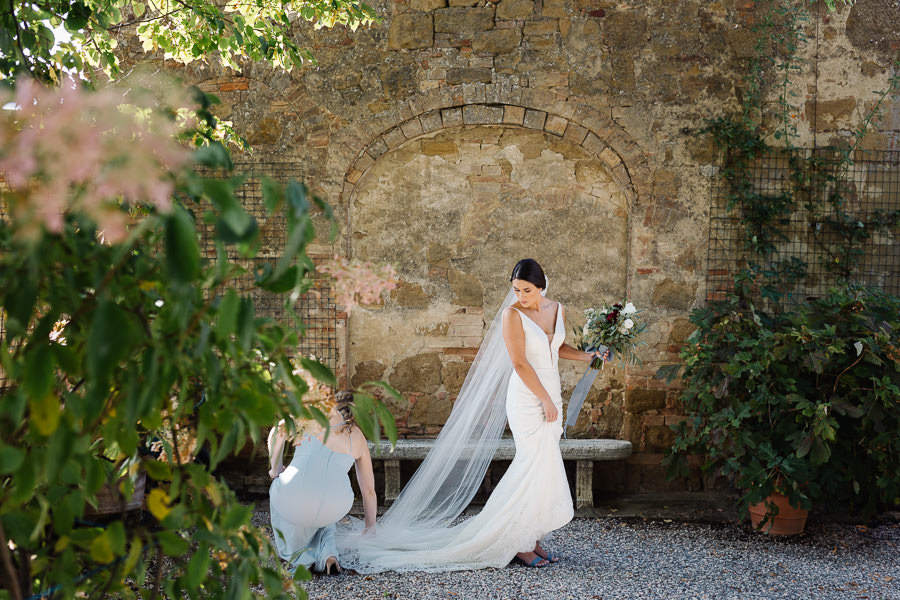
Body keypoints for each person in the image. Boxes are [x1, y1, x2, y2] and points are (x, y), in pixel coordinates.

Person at [338, 258, 608, 572]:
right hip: (527, 397)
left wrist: (588, 355)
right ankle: (516, 544)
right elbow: (520, 363)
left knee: (543, 468)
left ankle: (530, 537)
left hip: (550, 395)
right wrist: (545, 399)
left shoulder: (556, 309)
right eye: (516, 289)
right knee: (529, 464)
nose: (521, 295)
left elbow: (556, 347)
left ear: (542, 286)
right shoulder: (512, 315)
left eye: (527, 290)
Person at [268, 390, 377, 575]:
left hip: (293, 499)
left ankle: (301, 558)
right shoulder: (359, 439)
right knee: (325, 518)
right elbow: (369, 491)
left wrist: (275, 469)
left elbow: (277, 431)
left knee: (278, 485)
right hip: (335, 507)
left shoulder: (311, 417)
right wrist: (370, 528)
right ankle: (328, 553)